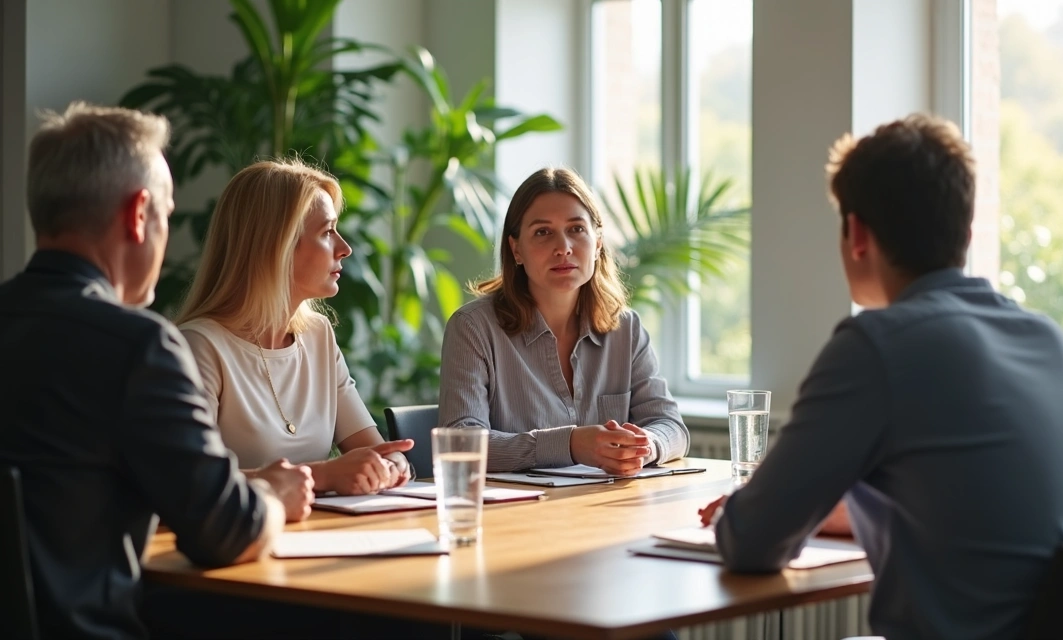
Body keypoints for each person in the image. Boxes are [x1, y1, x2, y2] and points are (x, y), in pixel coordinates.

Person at [698, 114, 1063, 640]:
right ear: (966, 231)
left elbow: (751, 542)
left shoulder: (876, 345)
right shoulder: (1044, 337)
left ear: (856, 235)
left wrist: (747, 510)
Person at [0, 102, 312, 639]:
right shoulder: (135, 347)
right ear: (138, 214)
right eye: (166, 214)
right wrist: (275, 496)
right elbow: (228, 531)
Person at [174, 159, 412, 495]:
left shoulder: (318, 336)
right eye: (327, 232)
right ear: (278, 246)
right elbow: (187, 480)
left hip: (316, 538)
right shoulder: (199, 347)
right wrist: (324, 476)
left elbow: (373, 449)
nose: (345, 249)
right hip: (241, 542)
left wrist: (390, 466)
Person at [438, 167, 689, 474]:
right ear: (516, 249)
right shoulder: (473, 328)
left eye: (576, 229)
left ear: (597, 243)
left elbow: (671, 426)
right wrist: (569, 444)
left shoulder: (626, 329)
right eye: (543, 232)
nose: (563, 248)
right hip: (515, 516)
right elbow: (461, 444)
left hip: (607, 508)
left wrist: (646, 444)